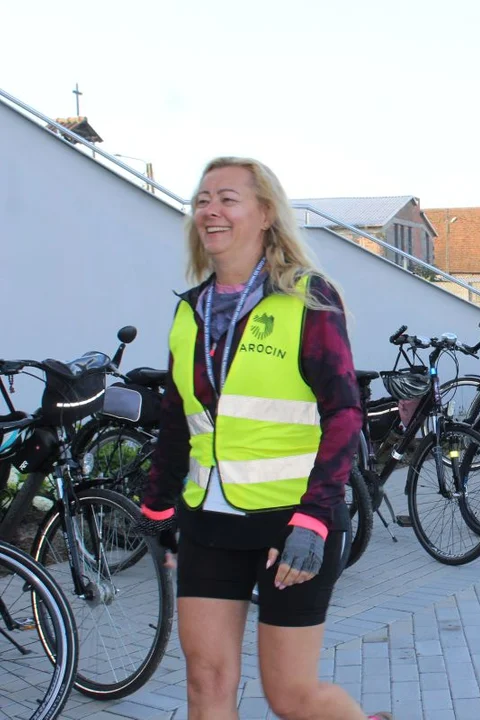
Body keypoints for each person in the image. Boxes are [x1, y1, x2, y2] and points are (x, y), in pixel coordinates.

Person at [135, 157, 391, 720]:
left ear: (266, 213)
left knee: (291, 697)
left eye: (228, 198)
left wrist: (317, 517)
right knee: (205, 683)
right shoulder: (190, 312)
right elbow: (178, 422)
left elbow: (345, 413)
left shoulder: (308, 298)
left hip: (293, 521)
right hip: (209, 523)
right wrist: (156, 513)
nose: (210, 210)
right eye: (202, 199)